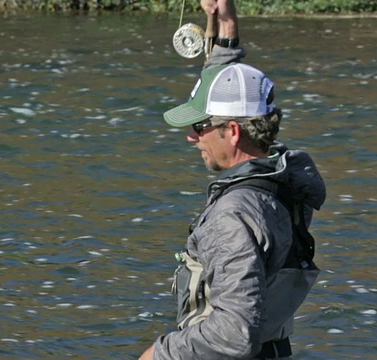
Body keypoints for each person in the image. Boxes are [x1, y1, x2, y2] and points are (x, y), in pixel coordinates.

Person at [139, 0, 326, 359]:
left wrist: (158, 355)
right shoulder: (284, 180)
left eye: (199, 126)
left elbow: (233, 333)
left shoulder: (233, 217)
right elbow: (232, 87)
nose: (192, 137)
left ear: (234, 132)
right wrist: (222, 19)